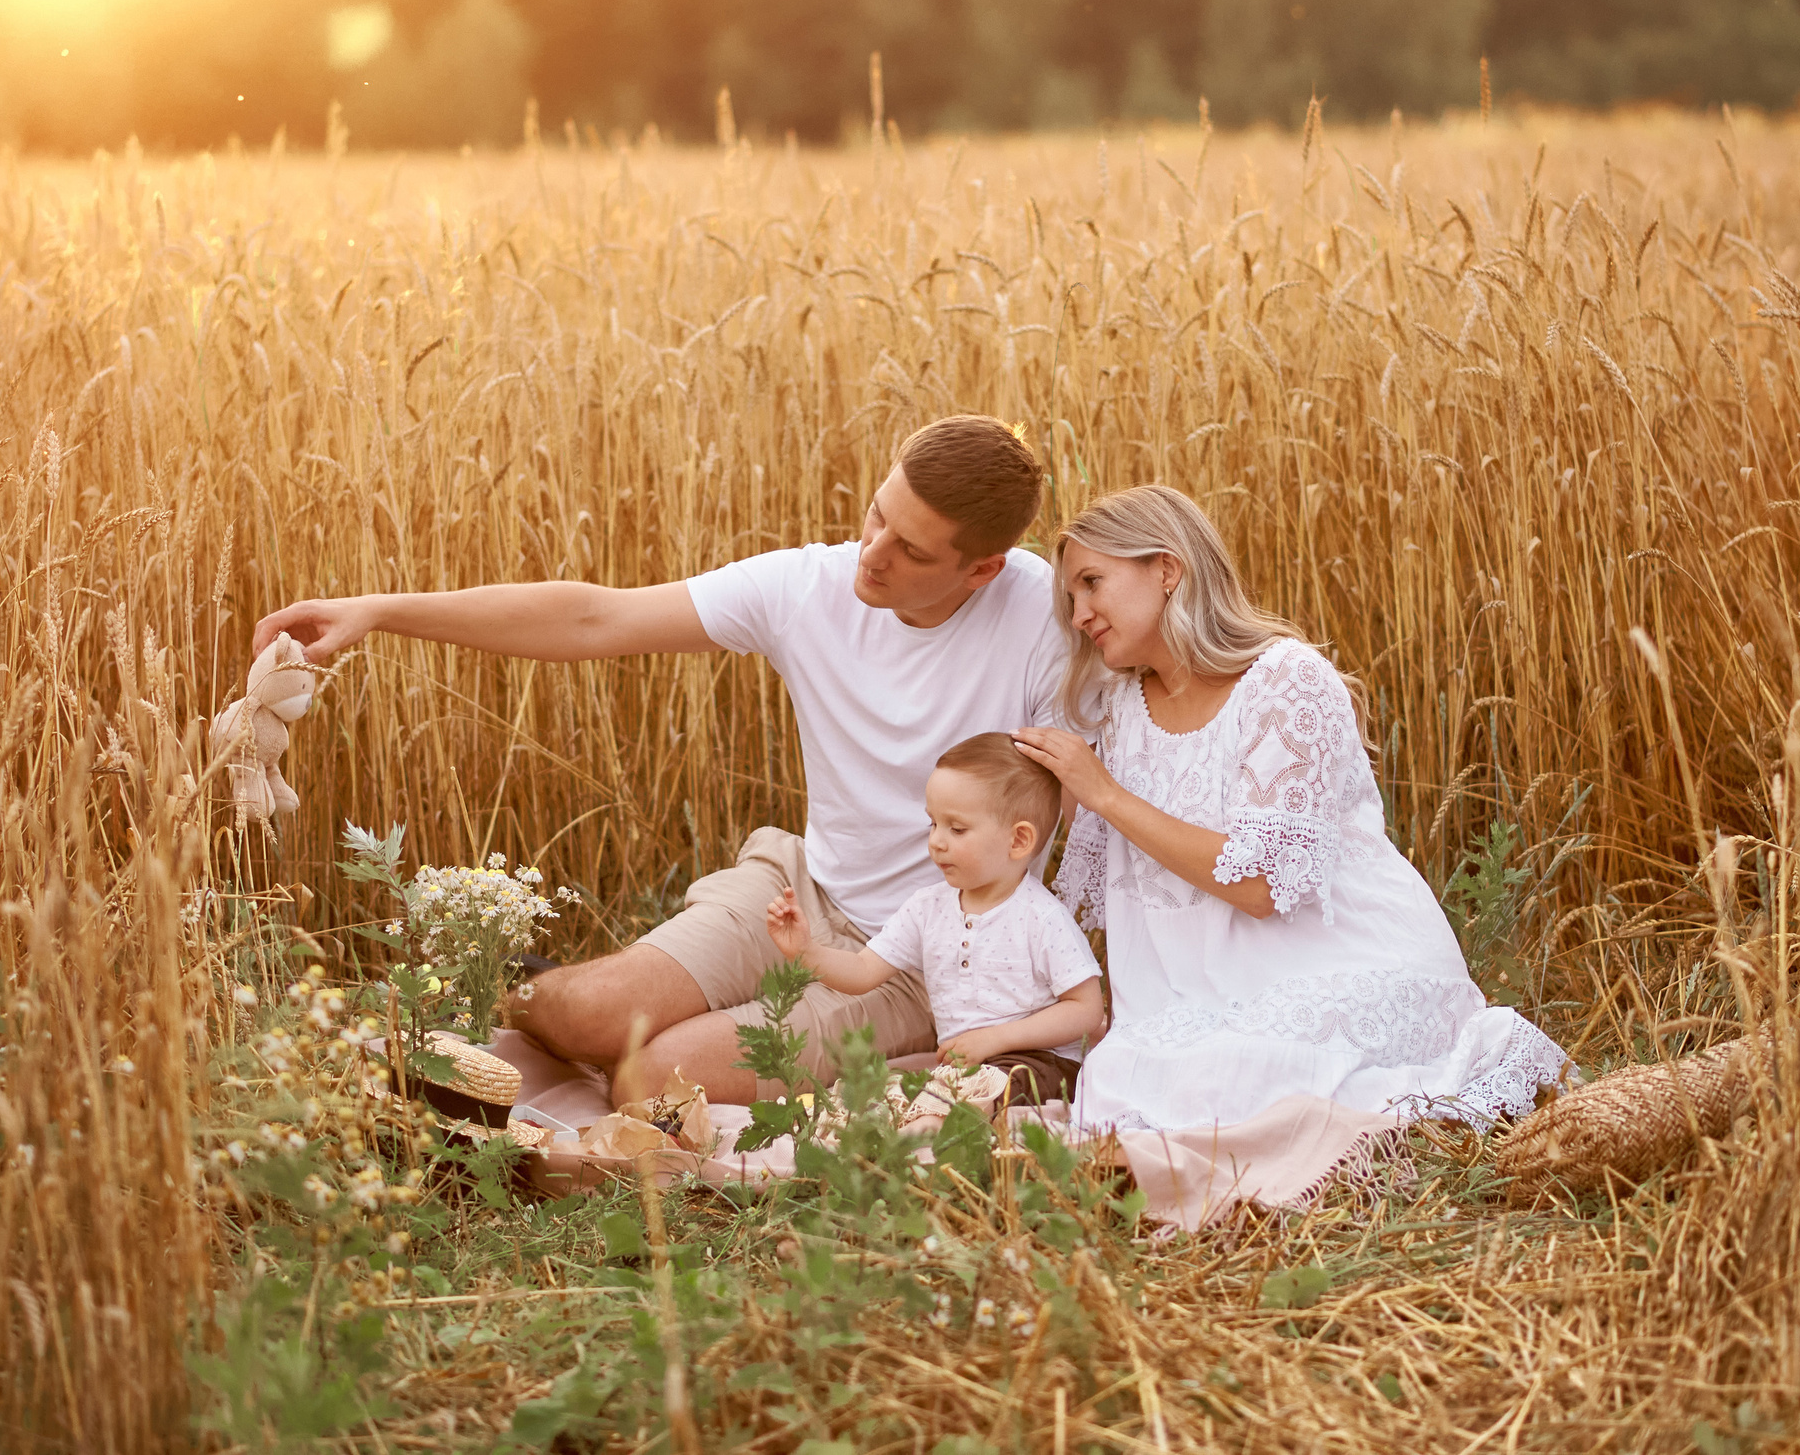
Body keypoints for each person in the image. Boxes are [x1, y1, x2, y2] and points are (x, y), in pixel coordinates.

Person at [252, 415, 1068, 1105]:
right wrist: (382, 610)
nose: (872, 553)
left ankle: (943, 1067)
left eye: (912, 550)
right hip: (797, 888)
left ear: (982, 568)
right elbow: (593, 620)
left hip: (926, 954)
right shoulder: (805, 588)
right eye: (876, 515)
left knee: (652, 1078)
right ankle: (466, 1022)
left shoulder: (1045, 616)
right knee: (582, 1011)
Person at [1010, 485, 1569, 1135]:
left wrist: (1104, 789)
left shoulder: (1284, 679)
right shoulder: (1122, 710)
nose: (1079, 614)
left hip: (1338, 965)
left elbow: (1259, 886)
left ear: (1166, 568)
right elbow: (1112, 867)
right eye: (1070, 598)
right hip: (1193, 996)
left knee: (1245, 1076)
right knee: (1125, 1081)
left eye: (1091, 583)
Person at [764, 733, 1105, 1105]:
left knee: (960, 1102)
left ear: (1018, 840)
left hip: (1038, 1064)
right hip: (962, 1070)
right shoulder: (927, 908)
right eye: (933, 824)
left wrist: (996, 1038)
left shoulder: (1041, 918)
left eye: (956, 829)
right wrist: (807, 951)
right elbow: (863, 971)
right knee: (890, 1101)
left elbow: (1087, 1010)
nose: (937, 842)